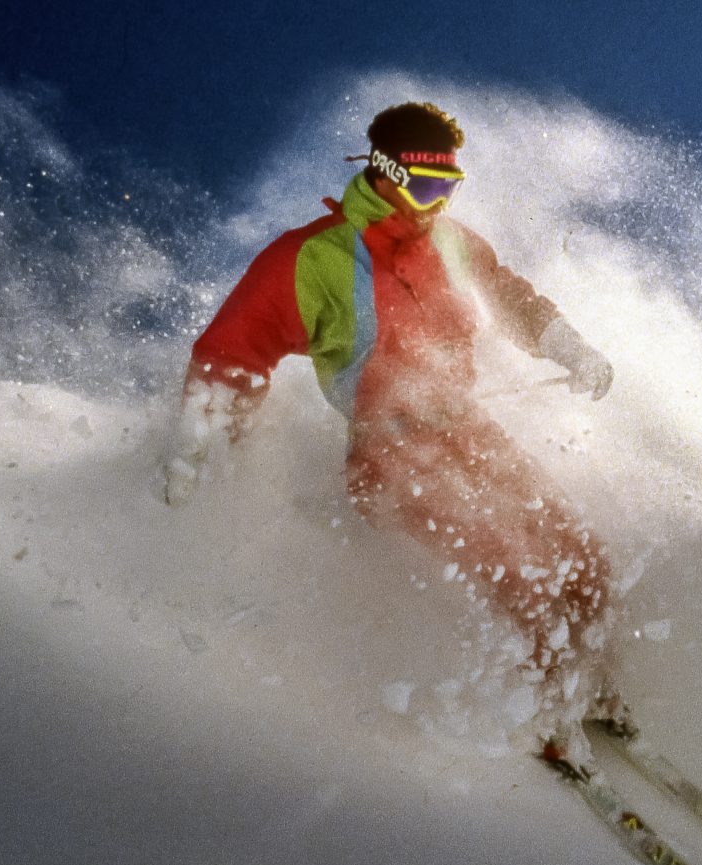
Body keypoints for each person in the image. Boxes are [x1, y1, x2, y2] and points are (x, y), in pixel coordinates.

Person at [161, 101, 620, 747]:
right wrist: (197, 446)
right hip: (389, 455)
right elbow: (233, 352)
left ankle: (593, 686)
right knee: (519, 575)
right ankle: (537, 714)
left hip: (469, 430)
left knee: (583, 562)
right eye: (425, 186)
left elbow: (510, 297)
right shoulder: (315, 260)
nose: (437, 203)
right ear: (383, 172)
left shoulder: (454, 244)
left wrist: (568, 347)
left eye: (449, 187)